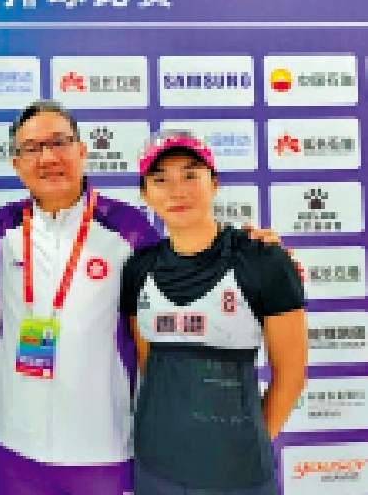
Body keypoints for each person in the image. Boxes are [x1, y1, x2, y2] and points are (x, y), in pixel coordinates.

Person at [0, 101, 285, 495]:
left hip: (103, 448)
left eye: (59, 142)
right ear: (16, 164)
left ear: (82, 151)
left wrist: (253, 249)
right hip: (16, 447)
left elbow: (185, 270)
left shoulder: (128, 230)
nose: (48, 157)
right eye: (32, 148)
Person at [120, 130, 307, 495]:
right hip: (156, 468)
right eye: (160, 179)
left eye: (191, 174)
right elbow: (149, 365)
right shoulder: (139, 268)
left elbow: (291, 374)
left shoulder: (262, 259)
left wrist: (246, 446)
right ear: (145, 194)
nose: (177, 191)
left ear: (214, 183)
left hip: (240, 475)